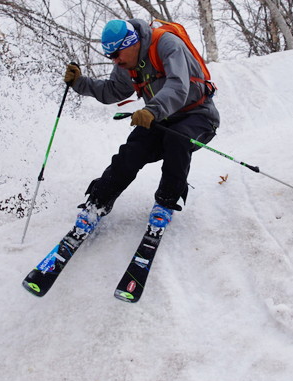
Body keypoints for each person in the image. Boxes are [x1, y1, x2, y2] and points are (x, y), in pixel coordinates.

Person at [63, 19, 220, 234]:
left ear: (132, 43)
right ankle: (98, 202)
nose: (115, 61)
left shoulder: (167, 44)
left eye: (117, 54)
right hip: (161, 117)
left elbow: (178, 85)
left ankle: (165, 203)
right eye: (110, 56)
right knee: (133, 149)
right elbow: (114, 90)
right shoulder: (126, 64)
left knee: (178, 139)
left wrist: (152, 110)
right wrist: (79, 83)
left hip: (198, 114)